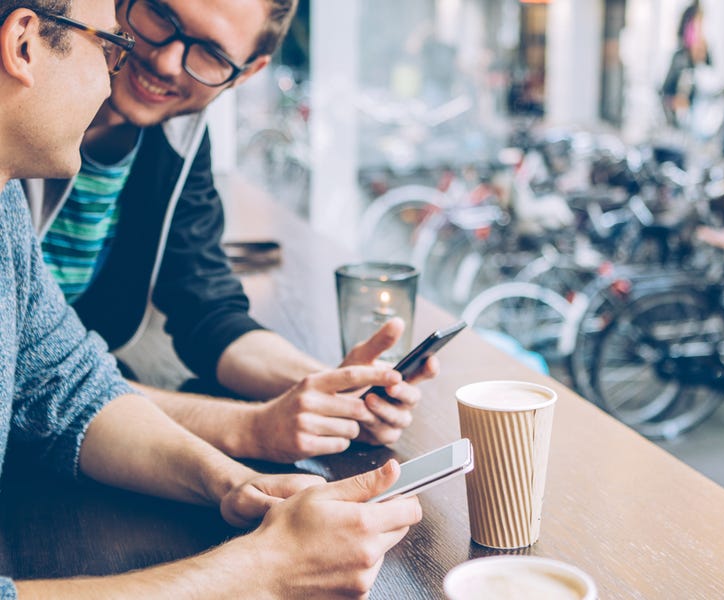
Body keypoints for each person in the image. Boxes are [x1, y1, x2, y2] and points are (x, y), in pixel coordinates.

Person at [0, 0, 421, 596]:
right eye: (110, 41)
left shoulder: (6, 202)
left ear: (246, 72)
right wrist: (257, 570)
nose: (130, 62)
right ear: (23, 45)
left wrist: (236, 481)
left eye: (210, 54)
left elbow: (61, 382)